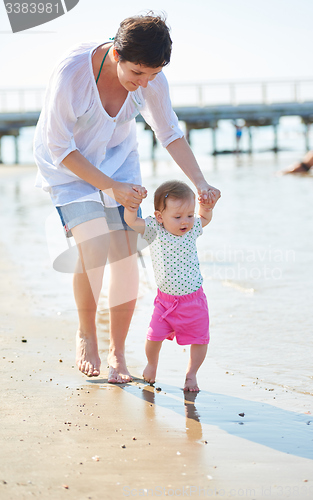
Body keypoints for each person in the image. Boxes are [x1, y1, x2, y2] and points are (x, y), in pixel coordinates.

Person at [33, 13, 220, 383]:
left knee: (125, 257)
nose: (143, 83)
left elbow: (169, 133)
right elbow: (59, 147)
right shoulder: (73, 73)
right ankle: (87, 332)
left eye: (152, 75)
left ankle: (119, 353)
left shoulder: (151, 78)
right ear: (117, 55)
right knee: (94, 248)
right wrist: (107, 187)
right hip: (68, 167)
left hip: (120, 165)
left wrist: (200, 182)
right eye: (138, 74)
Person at [124, 180, 218, 392]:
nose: (185, 221)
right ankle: (152, 364)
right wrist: (132, 205)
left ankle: (191, 374)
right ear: (160, 217)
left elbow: (205, 218)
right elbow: (132, 222)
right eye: (177, 217)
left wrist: (207, 207)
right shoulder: (154, 229)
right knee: (153, 336)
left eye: (189, 214)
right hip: (165, 303)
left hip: (194, 300)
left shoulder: (192, 228)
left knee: (201, 340)